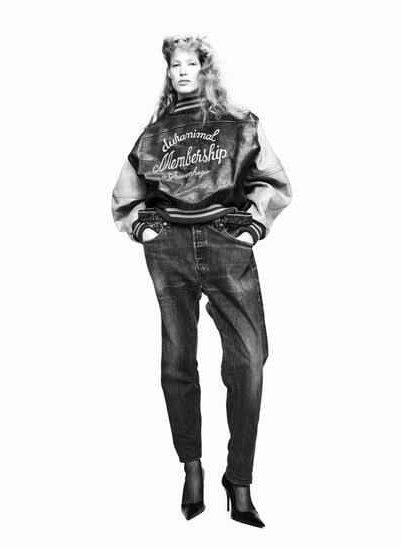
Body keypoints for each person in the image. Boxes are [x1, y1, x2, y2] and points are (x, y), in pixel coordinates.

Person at [111, 33, 292, 527]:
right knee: (177, 359)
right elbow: (126, 192)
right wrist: (144, 227)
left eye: (190, 63)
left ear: (205, 69)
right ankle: (191, 466)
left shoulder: (239, 123)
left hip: (224, 240)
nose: (182, 72)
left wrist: (253, 226)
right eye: (175, 65)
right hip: (168, 245)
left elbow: (273, 180)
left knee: (248, 361)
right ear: (168, 73)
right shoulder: (155, 132)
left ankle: (240, 479)